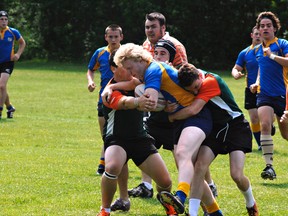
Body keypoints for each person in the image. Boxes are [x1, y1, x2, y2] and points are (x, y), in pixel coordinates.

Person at [112, 43, 222, 215]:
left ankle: (180, 196)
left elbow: (150, 100)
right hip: (181, 119)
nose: (130, 72)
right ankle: (215, 212)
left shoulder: (153, 70)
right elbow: (133, 83)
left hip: (195, 116)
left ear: (140, 60)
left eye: (130, 68)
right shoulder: (148, 71)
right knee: (187, 168)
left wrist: (134, 103)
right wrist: (112, 87)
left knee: (183, 156)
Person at [165, 63, 258, 216]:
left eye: (196, 86)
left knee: (236, 175)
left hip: (236, 127)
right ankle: (193, 213)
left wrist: (172, 116)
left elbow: (194, 109)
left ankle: (250, 202)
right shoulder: (193, 78)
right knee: (199, 167)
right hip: (217, 130)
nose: (196, 91)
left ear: (198, 76)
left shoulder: (211, 81)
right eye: (192, 90)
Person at [97, 50, 176, 216]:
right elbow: (125, 103)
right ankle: (105, 209)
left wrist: (165, 105)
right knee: (112, 167)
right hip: (116, 139)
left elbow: (144, 84)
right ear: (114, 69)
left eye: (130, 68)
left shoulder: (139, 82)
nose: (131, 71)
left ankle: (168, 207)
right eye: (125, 67)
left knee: (165, 182)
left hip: (140, 139)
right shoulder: (108, 93)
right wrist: (138, 101)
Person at [250, 11, 288, 180]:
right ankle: (269, 166)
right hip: (264, 94)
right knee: (265, 124)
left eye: (268, 26)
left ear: (275, 28)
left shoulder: (282, 44)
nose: (265, 29)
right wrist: (257, 82)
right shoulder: (258, 49)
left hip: (284, 94)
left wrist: (272, 55)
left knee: (286, 134)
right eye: (262, 26)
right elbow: (262, 68)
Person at [86, 24, 123, 175]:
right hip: (104, 99)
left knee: (115, 133)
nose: (113, 39)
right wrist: (90, 81)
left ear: (121, 37)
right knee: (105, 134)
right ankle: (107, 162)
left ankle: (104, 164)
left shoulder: (126, 52)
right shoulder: (100, 52)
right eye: (110, 36)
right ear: (105, 37)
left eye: (116, 36)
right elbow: (90, 69)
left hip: (121, 98)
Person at [231, 26, 262, 150]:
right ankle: (260, 144)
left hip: (266, 88)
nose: (258, 36)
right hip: (250, 89)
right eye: (256, 34)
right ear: (252, 35)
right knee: (254, 118)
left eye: (260, 34)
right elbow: (235, 68)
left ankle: (269, 127)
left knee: (267, 119)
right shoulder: (245, 53)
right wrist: (236, 74)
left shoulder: (269, 51)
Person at [0, 10, 26, 119]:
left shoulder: (13, 31)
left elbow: (22, 43)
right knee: (2, 87)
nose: (4, 21)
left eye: (6, 19)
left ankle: (0, 110)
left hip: (8, 63)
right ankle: (10, 107)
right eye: (1, 19)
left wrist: (18, 54)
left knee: (1, 85)